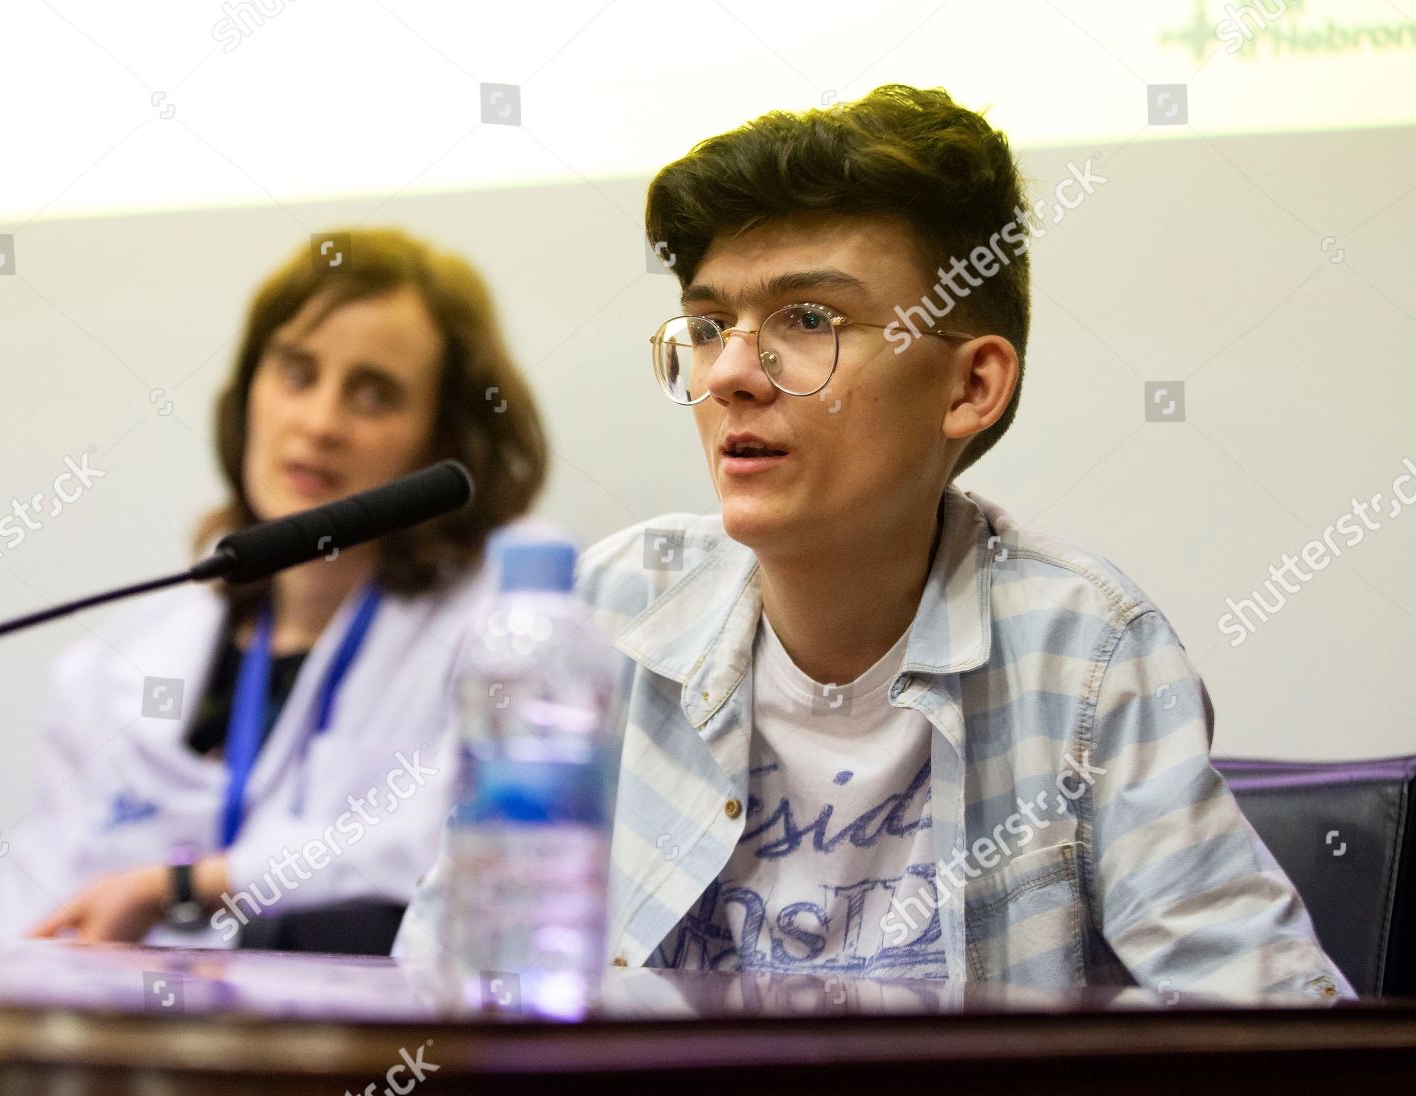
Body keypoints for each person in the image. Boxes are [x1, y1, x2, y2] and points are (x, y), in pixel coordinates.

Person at [395, 86, 1350, 999]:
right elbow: (439, 986)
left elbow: (1280, 1026)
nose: (730, 371)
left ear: (971, 386)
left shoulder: (1084, 648)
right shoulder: (606, 613)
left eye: (807, 319)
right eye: (708, 323)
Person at [0, 228, 547, 945]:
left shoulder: (505, 618)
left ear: (441, 440)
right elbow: (32, 918)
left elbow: (481, 832)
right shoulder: (113, 663)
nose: (319, 424)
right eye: (296, 373)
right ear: (247, 392)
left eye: (374, 395)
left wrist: (190, 886)